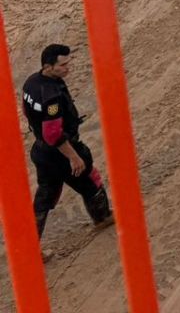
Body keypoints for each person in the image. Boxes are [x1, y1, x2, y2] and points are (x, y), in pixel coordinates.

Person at [21, 44, 112, 240]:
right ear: (48, 66)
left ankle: (29, 246)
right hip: (60, 153)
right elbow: (53, 134)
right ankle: (103, 218)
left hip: (41, 152)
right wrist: (74, 157)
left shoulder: (31, 83)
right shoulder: (51, 96)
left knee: (45, 196)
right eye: (62, 65)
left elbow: (26, 109)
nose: (68, 68)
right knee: (91, 180)